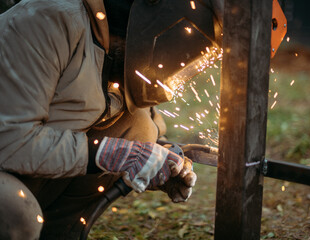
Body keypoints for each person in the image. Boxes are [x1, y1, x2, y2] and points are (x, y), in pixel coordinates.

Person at [0, 0, 213, 239]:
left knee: (139, 130)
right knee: (14, 214)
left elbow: (145, 130)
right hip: (6, 160)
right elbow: (9, 141)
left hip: (26, 166)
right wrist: (104, 154)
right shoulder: (47, 21)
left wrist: (161, 160)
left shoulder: (121, 52)